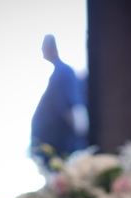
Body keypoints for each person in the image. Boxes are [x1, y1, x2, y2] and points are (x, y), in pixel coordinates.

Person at [30, 34, 88, 162]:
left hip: (59, 142)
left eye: (43, 47)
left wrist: (81, 134)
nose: (41, 50)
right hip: (51, 141)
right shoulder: (58, 72)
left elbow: (69, 108)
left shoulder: (63, 72)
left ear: (51, 48)